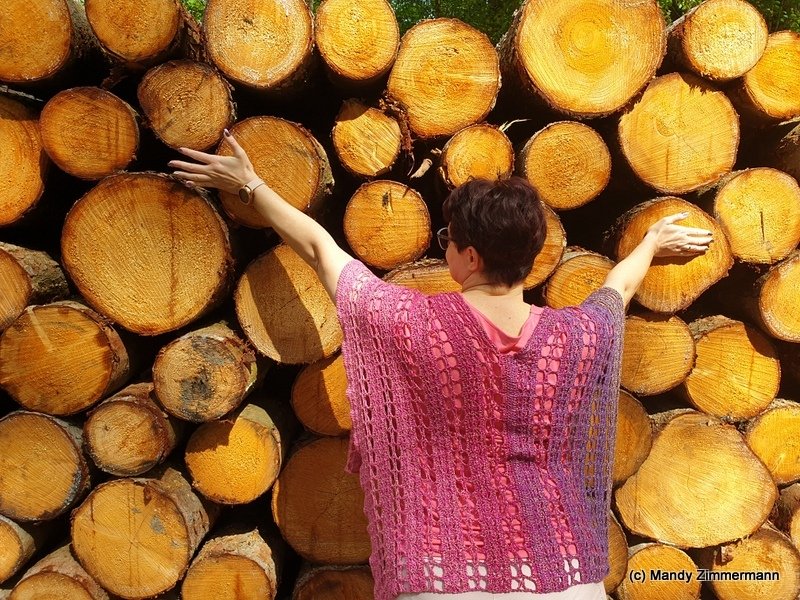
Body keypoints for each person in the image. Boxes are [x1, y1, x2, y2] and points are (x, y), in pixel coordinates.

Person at [169, 130, 712, 600]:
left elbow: (318, 249)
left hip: (444, 575)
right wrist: (650, 243)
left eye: (448, 239)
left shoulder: (411, 323)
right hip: (562, 576)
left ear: (471, 257)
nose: (444, 246)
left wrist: (251, 186)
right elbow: (616, 292)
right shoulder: (574, 337)